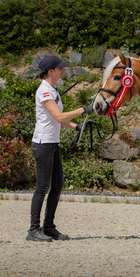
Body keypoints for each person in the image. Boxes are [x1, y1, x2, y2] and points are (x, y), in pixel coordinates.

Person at [27, 55, 93, 241]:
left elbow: (59, 121)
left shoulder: (52, 90)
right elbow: (59, 117)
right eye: (60, 69)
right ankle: (33, 230)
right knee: (42, 187)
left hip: (52, 143)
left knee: (57, 185)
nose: (62, 71)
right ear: (51, 72)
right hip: (43, 143)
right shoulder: (45, 92)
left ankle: (48, 227)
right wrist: (83, 110)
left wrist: (77, 126)